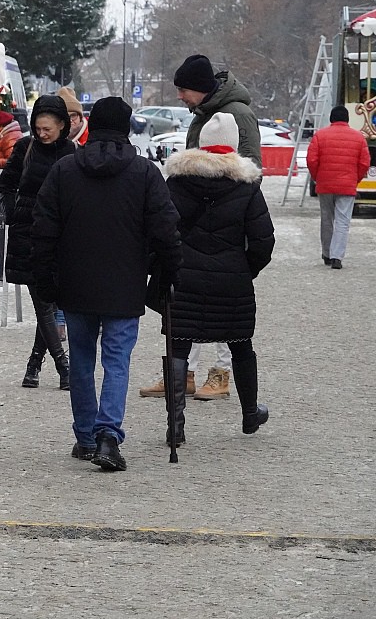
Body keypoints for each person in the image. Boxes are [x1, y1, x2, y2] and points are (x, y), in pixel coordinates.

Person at [32, 97, 181, 471]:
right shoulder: (145, 173)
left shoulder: (65, 170)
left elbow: (43, 231)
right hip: (125, 283)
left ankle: (85, 436)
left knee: (81, 361)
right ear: (128, 128)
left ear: (91, 126)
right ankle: (108, 435)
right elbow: (166, 230)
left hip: (76, 282)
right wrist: (168, 272)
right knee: (117, 362)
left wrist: (45, 279)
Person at [161, 112, 275, 444]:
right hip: (232, 280)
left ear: (201, 146)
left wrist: (170, 266)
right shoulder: (246, 185)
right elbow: (263, 241)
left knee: (178, 346)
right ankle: (250, 414)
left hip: (185, 278)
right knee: (241, 345)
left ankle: (176, 424)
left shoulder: (177, 183)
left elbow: (162, 230)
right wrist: (245, 269)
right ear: (234, 146)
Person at [0, 95, 75, 390]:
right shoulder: (24, 147)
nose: (42, 134)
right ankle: (63, 366)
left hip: (60, 235)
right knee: (43, 302)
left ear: (61, 126)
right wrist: (14, 212)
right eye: (38, 128)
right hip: (28, 233)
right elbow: (6, 184)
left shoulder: (71, 152)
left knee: (51, 298)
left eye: (48, 129)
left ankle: (33, 365)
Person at [306, 105, 370, 270]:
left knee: (327, 219)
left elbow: (311, 160)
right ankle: (337, 257)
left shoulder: (320, 135)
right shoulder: (358, 138)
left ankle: (326, 254)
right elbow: (364, 163)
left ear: (331, 119)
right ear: (347, 119)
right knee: (343, 221)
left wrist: (317, 177)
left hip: (325, 184)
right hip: (347, 185)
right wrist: (355, 179)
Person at [174, 54, 262, 166]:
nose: (179, 96)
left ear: (200, 87)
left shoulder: (239, 114)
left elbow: (251, 169)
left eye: (183, 90)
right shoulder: (202, 113)